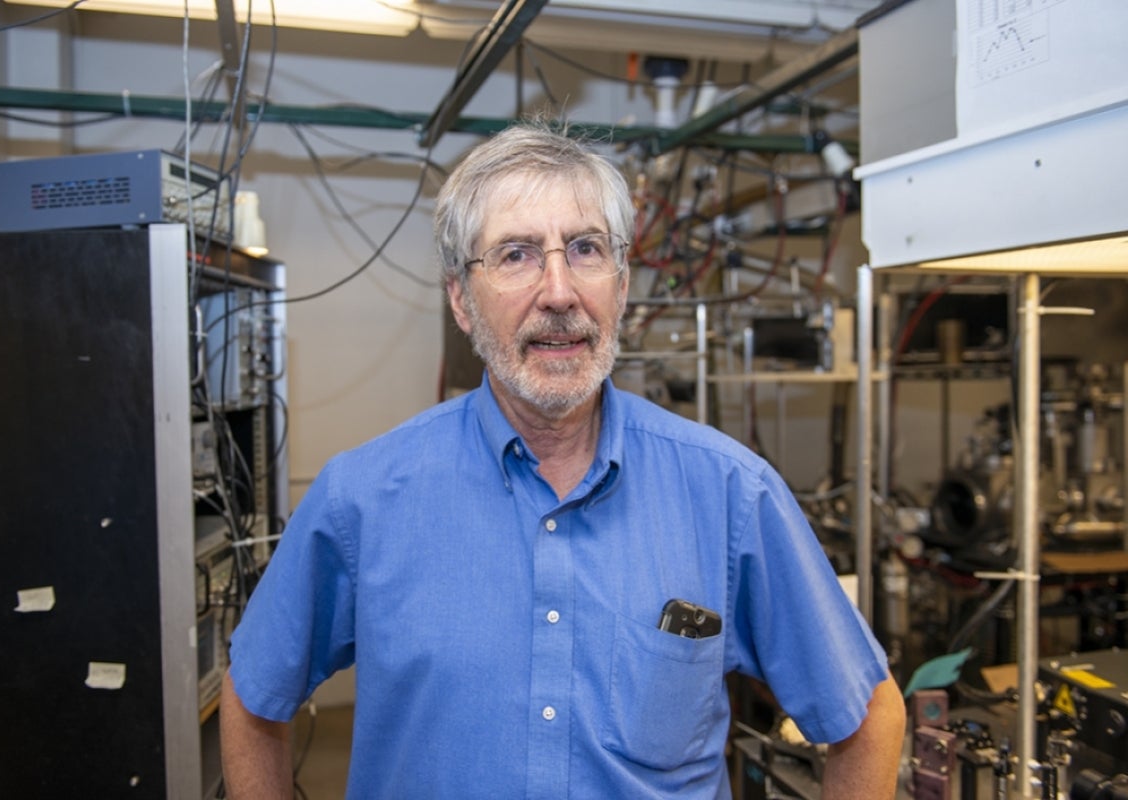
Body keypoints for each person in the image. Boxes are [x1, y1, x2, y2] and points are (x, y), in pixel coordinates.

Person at [220, 122, 906, 799]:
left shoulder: (731, 494)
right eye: (516, 254)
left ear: (623, 284)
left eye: (584, 249)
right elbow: (253, 699)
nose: (558, 291)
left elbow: (869, 718)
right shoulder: (361, 499)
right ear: (461, 297)